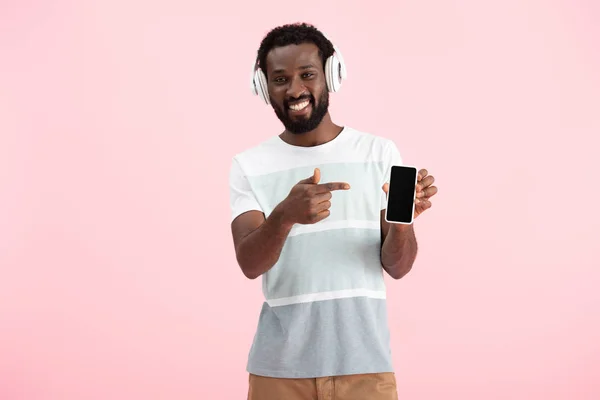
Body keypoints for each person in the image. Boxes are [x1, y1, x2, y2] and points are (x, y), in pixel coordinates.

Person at [229, 22, 438, 400]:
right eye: (280, 79)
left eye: (307, 74)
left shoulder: (379, 153)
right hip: (279, 372)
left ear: (331, 74)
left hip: (366, 369)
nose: (294, 90)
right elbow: (249, 263)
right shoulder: (249, 165)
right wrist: (284, 215)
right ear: (263, 87)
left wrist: (401, 224)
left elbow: (398, 267)